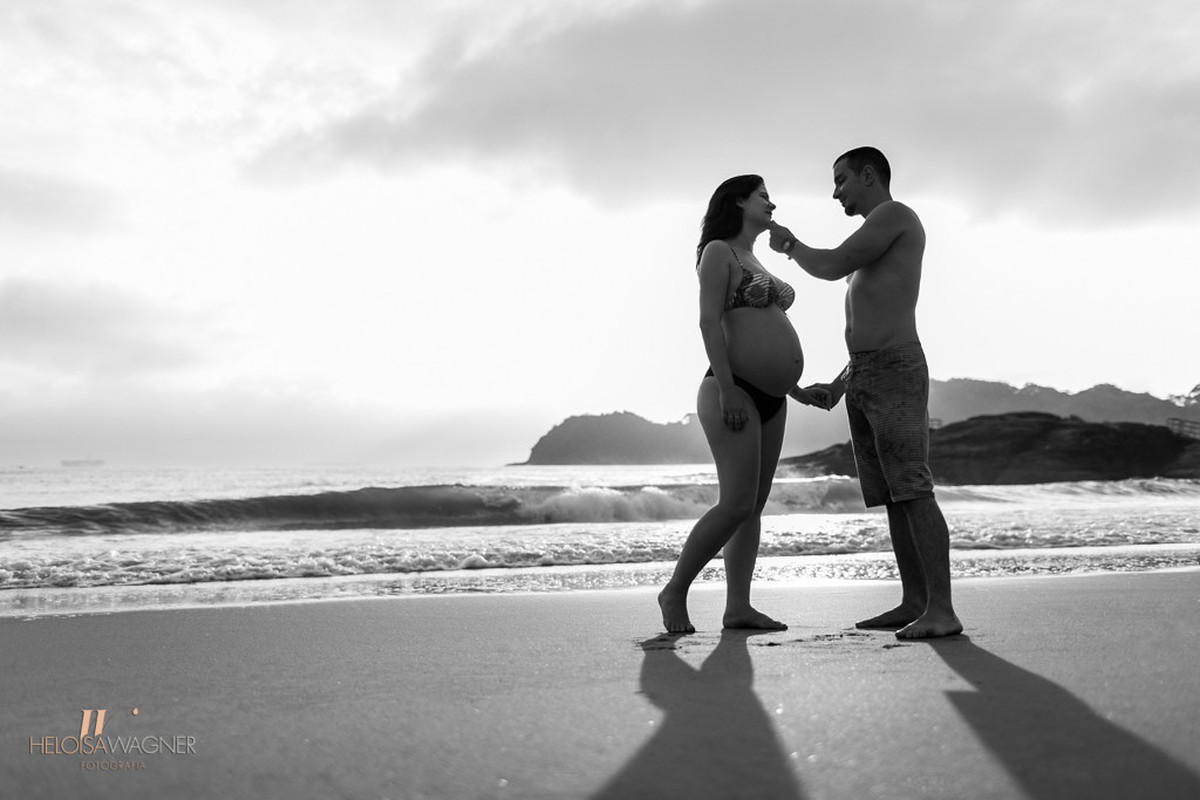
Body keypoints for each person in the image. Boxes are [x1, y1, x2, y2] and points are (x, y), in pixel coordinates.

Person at [768, 147, 963, 640]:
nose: (836, 192)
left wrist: (789, 245)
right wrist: (838, 385)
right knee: (894, 498)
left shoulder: (895, 215)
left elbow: (831, 265)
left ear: (869, 174)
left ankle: (942, 609)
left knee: (914, 488)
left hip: (897, 369)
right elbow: (866, 322)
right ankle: (914, 601)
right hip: (865, 373)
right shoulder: (874, 235)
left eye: (841, 181)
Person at [658, 175, 822, 634]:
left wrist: (794, 386)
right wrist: (728, 387)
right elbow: (710, 323)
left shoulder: (754, 257)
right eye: (763, 196)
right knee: (734, 503)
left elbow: (762, 335)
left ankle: (739, 608)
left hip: (772, 397)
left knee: (753, 508)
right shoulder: (719, 252)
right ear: (738, 202)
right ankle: (674, 591)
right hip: (733, 390)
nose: (772, 203)